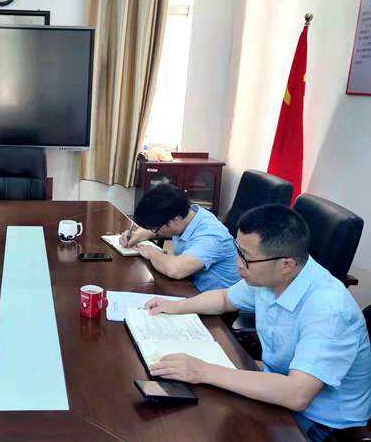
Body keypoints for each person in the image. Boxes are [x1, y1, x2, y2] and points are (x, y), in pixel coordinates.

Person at [146, 205, 371, 441]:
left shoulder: (329, 310)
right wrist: (176, 307)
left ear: (286, 264)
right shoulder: (272, 275)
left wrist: (202, 370)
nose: (238, 263)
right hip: (276, 388)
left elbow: (297, 394)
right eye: (238, 250)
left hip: (320, 423)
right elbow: (224, 299)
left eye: (246, 257)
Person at [121, 184, 239, 291]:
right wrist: (138, 235)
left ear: (175, 221)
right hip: (189, 284)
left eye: (154, 228)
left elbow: (175, 270)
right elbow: (159, 228)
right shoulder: (188, 214)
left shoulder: (211, 236)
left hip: (213, 299)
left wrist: (151, 252)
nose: (154, 231)